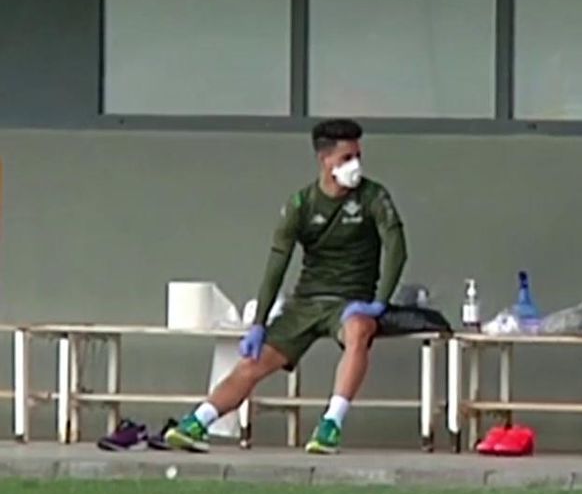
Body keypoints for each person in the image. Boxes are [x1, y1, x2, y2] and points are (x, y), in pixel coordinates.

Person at [164, 118, 407, 454]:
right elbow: (277, 264)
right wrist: (259, 323)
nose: (355, 165)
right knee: (253, 362)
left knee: (358, 331)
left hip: (351, 303)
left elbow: (396, 247)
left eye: (357, 156)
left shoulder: (373, 196)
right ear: (325, 160)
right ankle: (198, 421)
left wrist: (379, 302)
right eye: (346, 158)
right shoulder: (301, 204)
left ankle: (331, 424)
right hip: (305, 302)